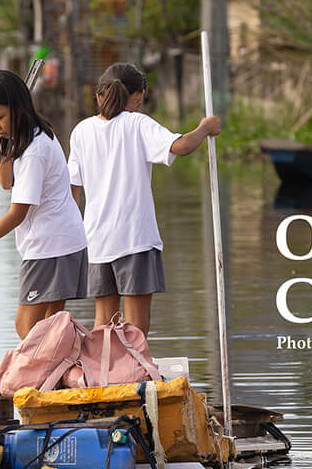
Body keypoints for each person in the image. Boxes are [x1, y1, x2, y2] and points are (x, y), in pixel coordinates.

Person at [67, 62, 220, 336]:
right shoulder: (137, 123)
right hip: (134, 239)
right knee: (136, 327)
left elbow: (72, 191)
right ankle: (135, 373)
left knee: (103, 325)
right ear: (138, 96)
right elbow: (180, 146)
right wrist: (204, 128)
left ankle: (106, 373)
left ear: (100, 95)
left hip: (97, 240)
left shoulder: (81, 131)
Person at [0, 70, 87, 339]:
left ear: (18, 108)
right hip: (59, 241)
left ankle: (51, 377)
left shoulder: (34, 150)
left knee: (26, 328)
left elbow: (17, 214)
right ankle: (56, 379)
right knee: (50, 331)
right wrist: (4, 140)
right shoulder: (28, 138)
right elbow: (6, 182)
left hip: (50, 246)